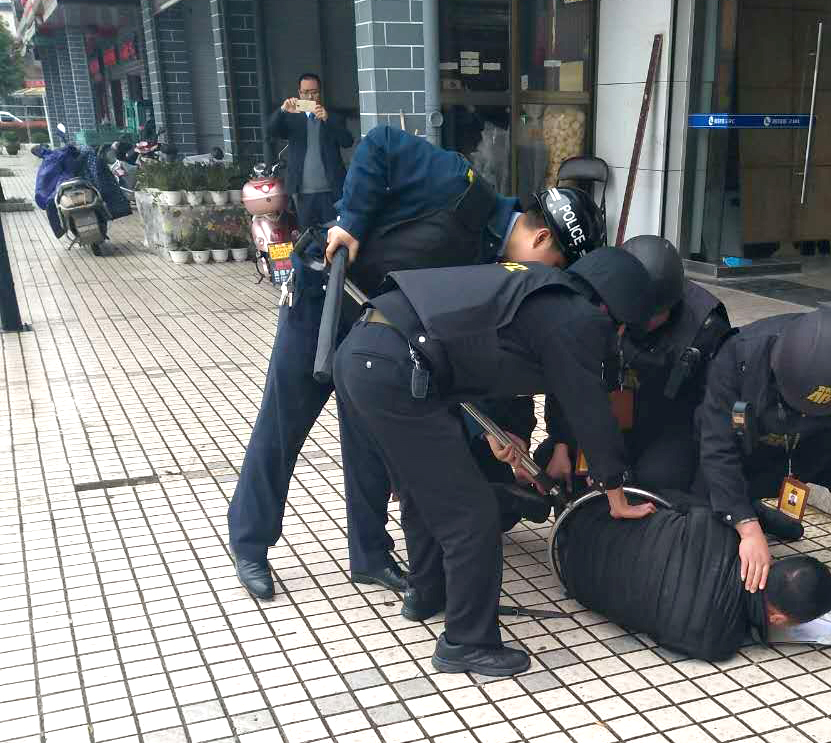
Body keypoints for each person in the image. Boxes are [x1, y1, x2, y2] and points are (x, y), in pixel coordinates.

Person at [227, 121, 605, 603]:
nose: (549, 281)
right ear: (542, 239)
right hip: (324, 298)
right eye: (557, 267)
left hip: (376, 334)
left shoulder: (498, 273)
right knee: (283, 424)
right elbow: (381, 144)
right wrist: (351, 220)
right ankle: (250, 542)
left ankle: (370, 554)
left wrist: (500, 431)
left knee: (368, 441)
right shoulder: (461, 188)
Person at [332, 248, 661, 676]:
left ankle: (428, 593)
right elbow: (589, 406)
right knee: (471, 515)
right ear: (612, 309)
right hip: (395, 366)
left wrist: (504, 433)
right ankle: (466, 642)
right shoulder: (577, 318)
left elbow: (482, 354)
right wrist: (615, 494)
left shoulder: (536, 290)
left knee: (423, 489)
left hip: (366, 352)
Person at [694, 308, 831, 646]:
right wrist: (746, 525)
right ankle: (752, 515)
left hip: (806, 450)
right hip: (747, 451)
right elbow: (716, 447)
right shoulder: (738, 356)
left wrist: (795, 477)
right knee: (702, 489)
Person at [536, 235, 731, 496]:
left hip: (671, 424)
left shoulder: (706, 327)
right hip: (610, 412)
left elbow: (715, 407)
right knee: (553, 460)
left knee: (655, 478)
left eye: (649, 315)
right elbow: (568, 372)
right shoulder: (598, 303)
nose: (636, 321)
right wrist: (562, 442)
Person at [554, 491, 831, 661]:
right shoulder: (717, 643)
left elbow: (677, 499)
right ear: (777, 619)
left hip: (587, 517)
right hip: (575, 578)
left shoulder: (722, 530)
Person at [266, 72, 353, 228]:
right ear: (299, 93)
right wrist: (282, 110)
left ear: (320, 93)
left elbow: (347, 141)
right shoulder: (292, 117)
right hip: (301, 192)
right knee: (306, 235)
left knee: (333, 234)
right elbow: (270, 131)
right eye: (305, 92)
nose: (310, 97)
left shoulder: (333, 116)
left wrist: (328, 119)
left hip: (331, 191)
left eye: (314, 92)